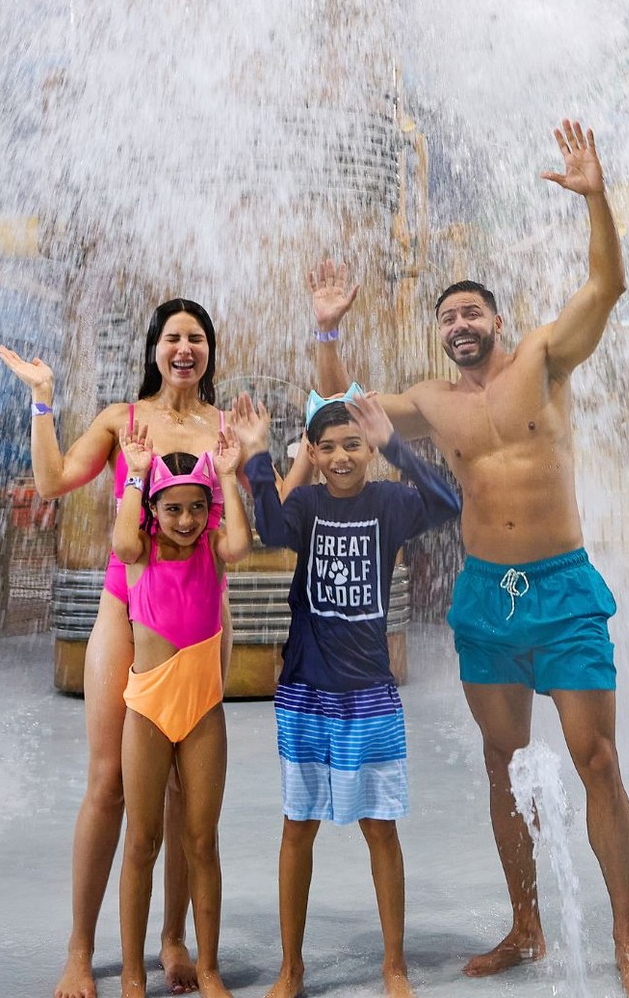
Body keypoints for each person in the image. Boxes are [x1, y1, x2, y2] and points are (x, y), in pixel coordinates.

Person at [308, 121, 629, 998]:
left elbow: (608, 285)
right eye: (447, 318)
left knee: (598, 761)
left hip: (564, 588)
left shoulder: (544, 358)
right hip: (485, 599)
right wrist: (326, 330)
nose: (459, 324)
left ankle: (624, 936)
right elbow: (335, 407)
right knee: (503, 762)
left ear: (496, 319)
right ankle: (527, 923)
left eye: (471, 312)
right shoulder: (431, 403)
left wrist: (596, 198)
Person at [0, 298, 231, 998]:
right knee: (109, 782)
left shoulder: (224, 429)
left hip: (197, 622)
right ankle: (80, 948)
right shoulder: (122, 421)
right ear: (154, 348)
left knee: (187, 794)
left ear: (209, 350)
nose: (183, 348)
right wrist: (43, 401)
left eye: (195, 338)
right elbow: (52, 482)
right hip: (125, 611)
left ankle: (172, 939)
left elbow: (247, 520)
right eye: (171, 337)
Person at [231, 387, 461, 998]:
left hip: (369, 695)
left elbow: (446, 501)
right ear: (312, 450)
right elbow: (269, 527)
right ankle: (291, 966)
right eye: (327, 447)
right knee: (296, 826)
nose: (340, 457)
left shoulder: (390, 502)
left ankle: (394, 964)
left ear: (369, 450)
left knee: (380, 827)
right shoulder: (303, 505)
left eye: (353, 445)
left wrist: (398, 446)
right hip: (306, 691)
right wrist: (257, 455)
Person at [113, 422, 251, 998]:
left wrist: (225, 476)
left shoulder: (215, 553)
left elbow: (240, 543)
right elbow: (121, 542)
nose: (187, 521)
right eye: (174, 510)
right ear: (154, 509)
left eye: (197, 509)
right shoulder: (140, 551)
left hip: (202, 712)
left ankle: (210, 966)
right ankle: (130, 971)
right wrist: (138, 474)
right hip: (147, 709)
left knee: (202, 841)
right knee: (142, 842)